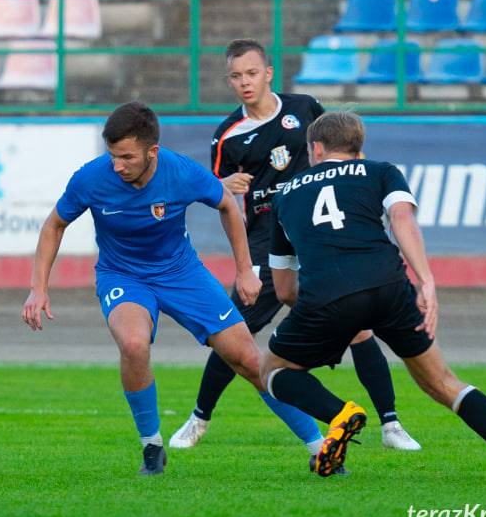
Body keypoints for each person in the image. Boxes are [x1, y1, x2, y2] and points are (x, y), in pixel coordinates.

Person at [22, 101, 330, 475]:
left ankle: (320, 447)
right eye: (113, 156)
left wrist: (245, 269)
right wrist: (38, 288)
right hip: (123, 276)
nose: (117, 166)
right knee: (134, 345)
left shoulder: (181, 171)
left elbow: (228, 206)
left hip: (183, 274)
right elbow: (54, 224)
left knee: (250, 360)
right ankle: (152, 447)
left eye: (127, 157)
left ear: (152, 151)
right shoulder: (91, 178)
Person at [261, 110, 486, 484]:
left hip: (325, 295)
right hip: (389, 286)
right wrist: (426, 281)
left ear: (315, 148)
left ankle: (340, 413)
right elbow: (402, 219)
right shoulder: (381, 171)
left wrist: (325, 317)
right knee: (443, 383)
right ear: (358, 147)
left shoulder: (286, 194)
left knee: (273, 370)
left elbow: (285, 288)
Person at [170, 39, 420, 452]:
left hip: (317, 234)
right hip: (268, 243)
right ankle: (199, 419)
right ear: (228, 80)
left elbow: (342, 155)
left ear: (268, 73)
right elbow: (216, 197)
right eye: (236, 76)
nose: (245, 82)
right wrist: (222, 187)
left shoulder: (304, 109)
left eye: (252, 73)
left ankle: (391, 425)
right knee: (235, 333)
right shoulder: (228, 136)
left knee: (359, 329)